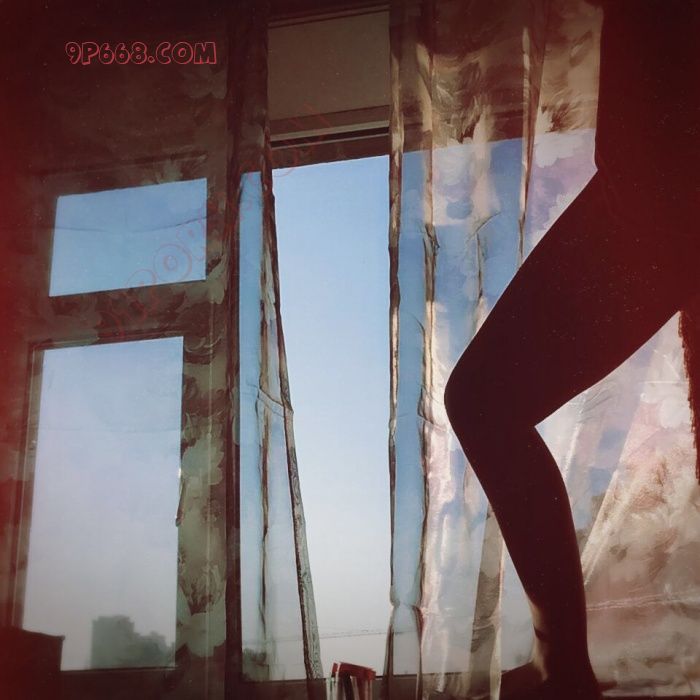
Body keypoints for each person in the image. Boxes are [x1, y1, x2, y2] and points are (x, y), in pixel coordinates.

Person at [443, 1, 700, 698]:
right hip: (657, 183)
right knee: (484, 401)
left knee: (483, 400)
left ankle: (563, 668)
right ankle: (562, 667)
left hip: (660, 185)